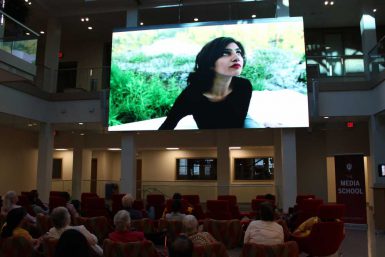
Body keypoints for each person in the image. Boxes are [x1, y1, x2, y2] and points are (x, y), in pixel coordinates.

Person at [159, 37, 252, 130]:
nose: (237, 58)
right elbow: (166, 128)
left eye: (238, 52)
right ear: (210, 62)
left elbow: (239, 124)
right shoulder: (191, 95)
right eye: (225, 53)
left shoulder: (244, 86)